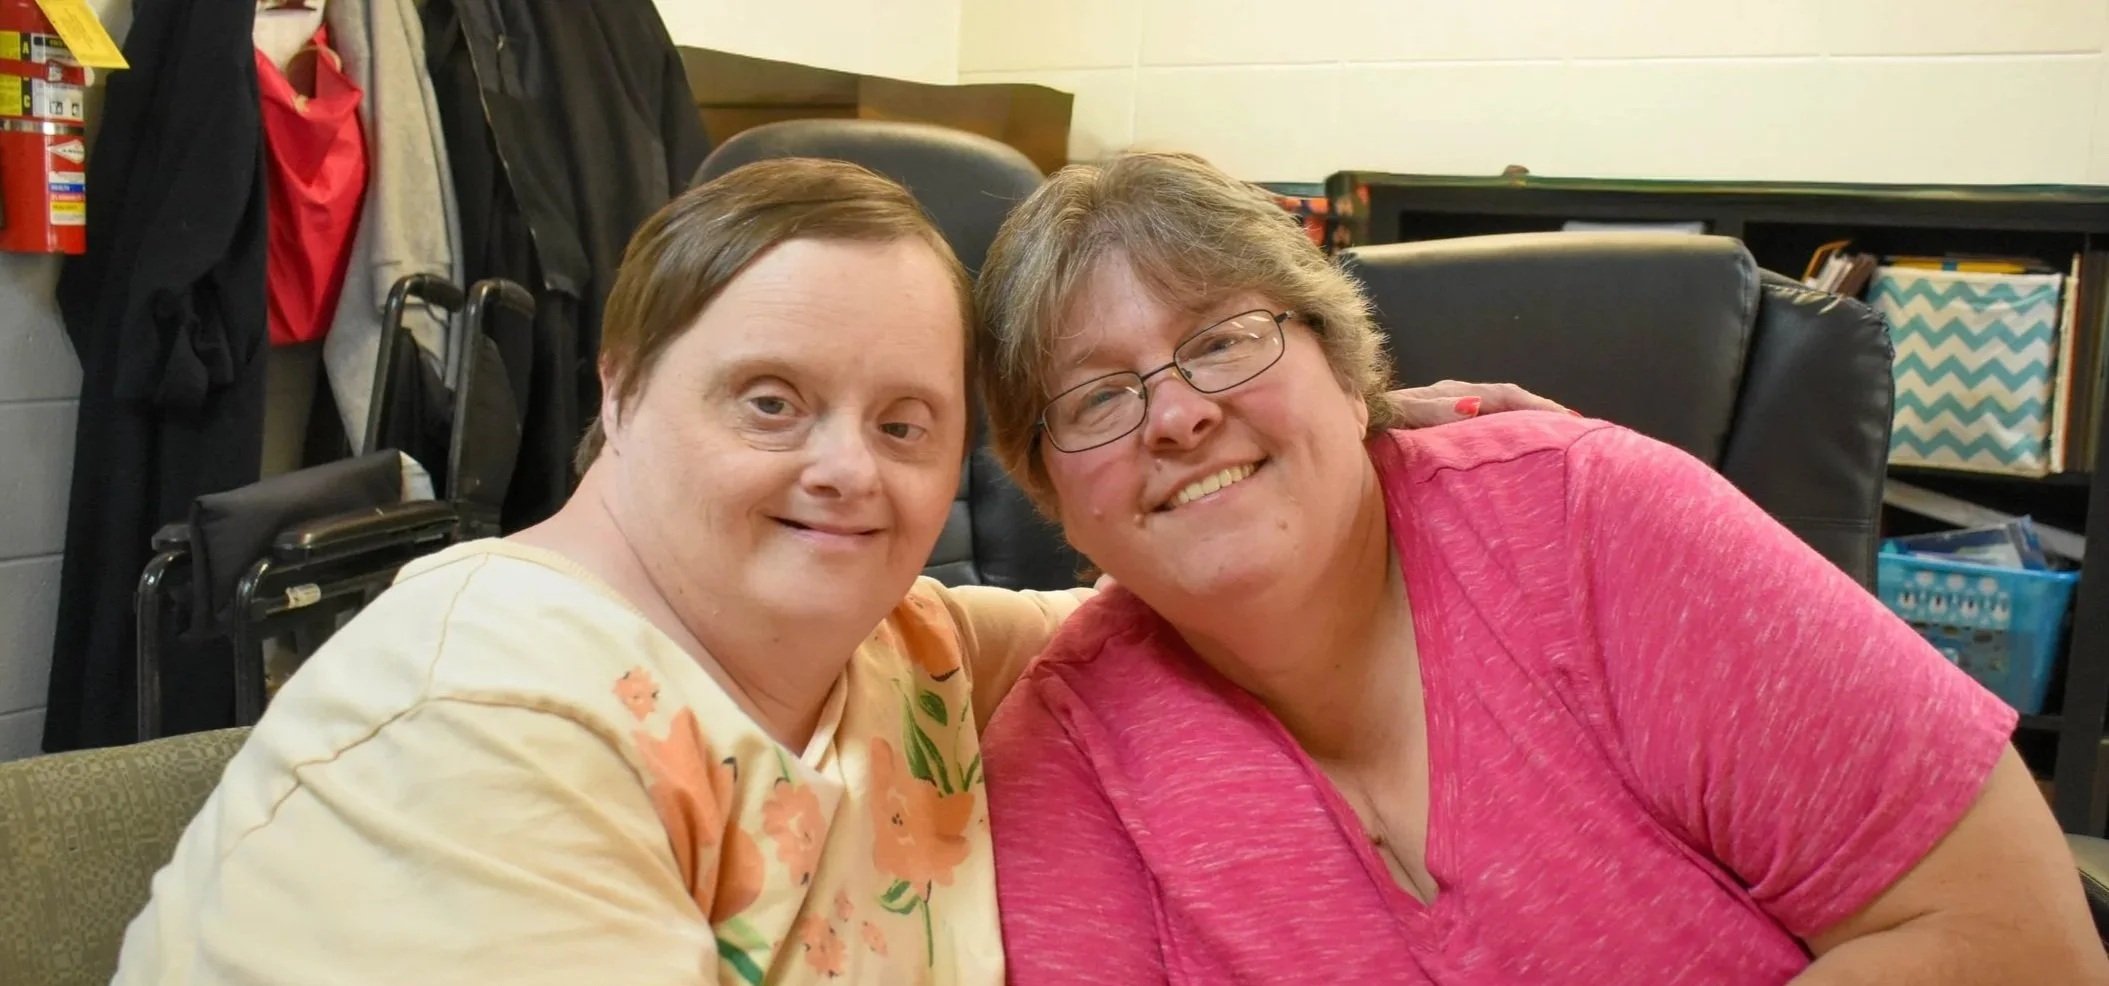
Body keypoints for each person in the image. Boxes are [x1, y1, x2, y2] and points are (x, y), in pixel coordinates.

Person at [111, 157, 1552, 985]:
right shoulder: (489, 720)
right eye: (770, 401)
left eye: (904, 422)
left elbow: (1136, 602)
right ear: (619, 392)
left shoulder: (895, 645)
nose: (850, 470)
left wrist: (1359, 479)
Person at [971, 151, 2109, 984]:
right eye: (1096, 398)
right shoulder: (1065, 756)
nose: (1175, 414)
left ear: (1342, 357)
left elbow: (2015, 941)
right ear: (1054, 492)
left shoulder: (1595, 520)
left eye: (1222, 338)